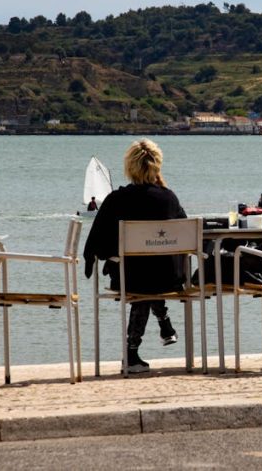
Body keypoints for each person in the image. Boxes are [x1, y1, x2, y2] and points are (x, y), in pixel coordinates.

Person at [83, 139, 184, 373]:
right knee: (149, 275)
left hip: (131, 277)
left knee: (142, 278)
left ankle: (132, 352)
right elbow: (185, 231)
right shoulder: (169, 198)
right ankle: (164, 325)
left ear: (129, 167)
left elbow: (98, 241)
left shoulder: (117, 199)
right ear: (157, 165)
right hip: (168, 278)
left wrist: (96, 258)